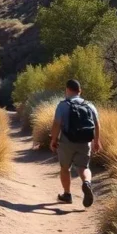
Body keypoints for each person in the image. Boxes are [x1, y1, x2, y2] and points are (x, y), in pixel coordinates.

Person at [49, 79, 100, 207]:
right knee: (84, 167)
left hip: (66, 142)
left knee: (65, 168)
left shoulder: (63, 105)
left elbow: (57, 124)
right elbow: (97, 124)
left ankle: (67, 195)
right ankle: (87, 183)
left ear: (67, 90)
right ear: (80, 91)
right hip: (85, 141)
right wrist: (96, 141)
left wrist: (53, 139)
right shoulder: (89, 105)